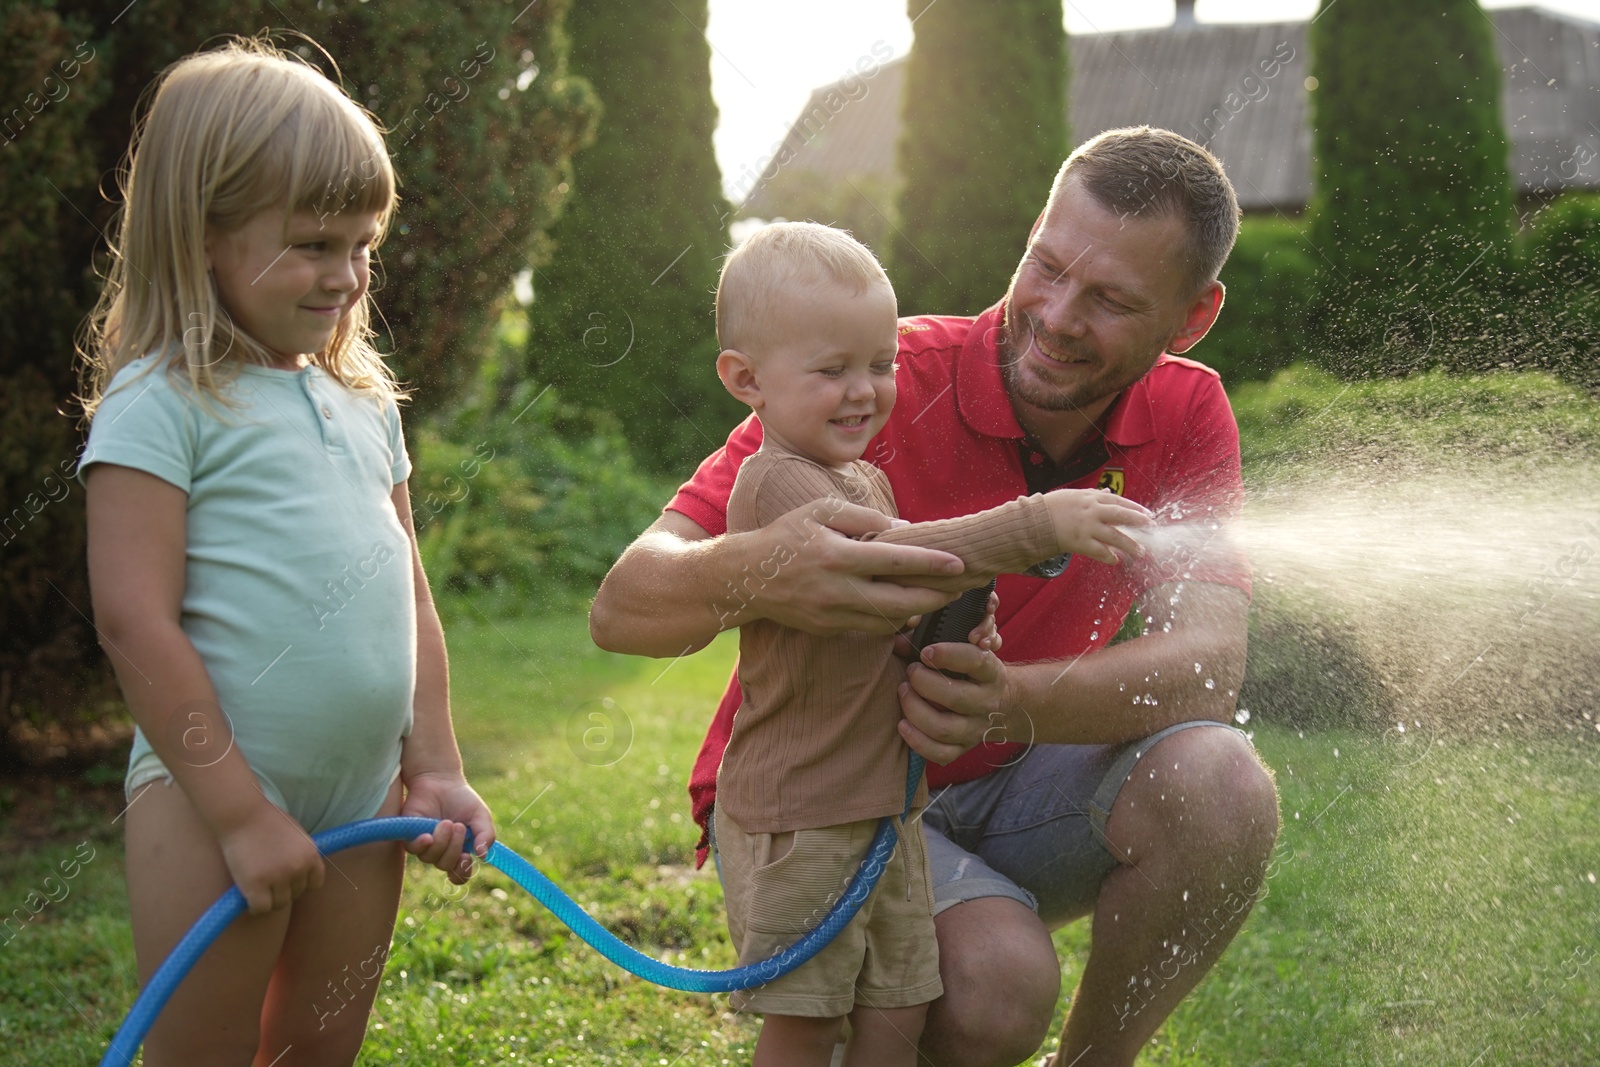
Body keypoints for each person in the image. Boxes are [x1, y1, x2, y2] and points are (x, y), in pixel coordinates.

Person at [591, 126, 1280, 1067]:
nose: (1058, 314)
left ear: (1191, 319)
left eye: (1112, 299)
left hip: (1006, 773)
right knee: (995, 986)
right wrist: (757, 567)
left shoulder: (1190, 412)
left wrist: (1008, 704)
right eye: (1046, 266)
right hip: (824, 792)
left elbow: (1207, 665)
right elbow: (624, 604)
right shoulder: (871, 379)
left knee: (1224, 784)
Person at [76, 38, 493, 1066]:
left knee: (320, 1049)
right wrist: (240, 810)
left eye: (363, 245)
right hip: (208, 800)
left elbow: (411, 596)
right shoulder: (161, 402)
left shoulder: (362, 402)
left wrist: (434, 765)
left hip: (364, 799)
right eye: (312, 244)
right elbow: (134, 618)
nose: (346, 276)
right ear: (203, 233)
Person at [704, 222, 1152, 1066]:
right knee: (810, 1019)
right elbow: (890, 559)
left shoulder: (864, 476)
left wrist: (952, 623)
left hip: (886, 808)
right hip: (804, 811)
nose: (863, 390)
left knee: (900, 1003)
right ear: (746, 380)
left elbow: (899, 598)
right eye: (831, 369)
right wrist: (1037, 522)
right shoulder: (776, 484)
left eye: (880, 364)